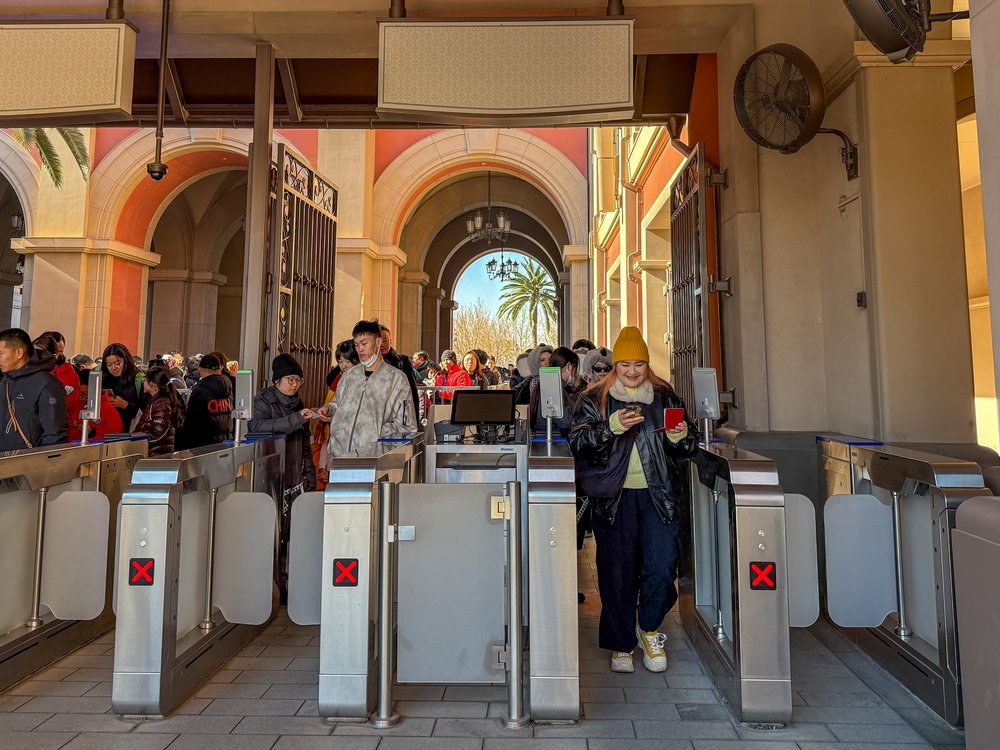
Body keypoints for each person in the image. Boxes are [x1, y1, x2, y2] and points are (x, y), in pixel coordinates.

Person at [570, 326, 699, 674]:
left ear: (647, 363)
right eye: (624, 363)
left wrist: (682, 436)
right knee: (616, 571)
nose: (631, 371)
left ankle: (650, 627)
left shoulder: (665, 397)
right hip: (614, 500)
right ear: (615, 364)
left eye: (638, 364)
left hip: (659, 497)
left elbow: (689, 446)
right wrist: (609, 426)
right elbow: (577, 442)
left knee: (661, 567)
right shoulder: (594, 398)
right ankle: (620, 644)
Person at [250, 353, 321, 600]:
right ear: (277, 380)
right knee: (273, 528)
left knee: (292, 529)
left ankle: (288, 582)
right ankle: (273, 584)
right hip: (272, 473)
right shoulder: (263, 401)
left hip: (295, 474)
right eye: (289, 379)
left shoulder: (298, 405)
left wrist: (309, 473)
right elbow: (256, 428)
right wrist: (294, 420)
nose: (294, 385)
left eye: (298, 380)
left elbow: (304, 445)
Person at [322, 320, 416, 456]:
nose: (360, 349)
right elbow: (338, 403)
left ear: (378, 342)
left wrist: (376, 432)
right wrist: (329, 409)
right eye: (356, 344)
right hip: (340, 455)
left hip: (374, 457)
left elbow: (407, 426)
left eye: (364, 344)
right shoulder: (349, 376)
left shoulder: (396, 379)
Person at [0, 328, 68, 449]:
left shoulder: (47, 383)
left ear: (19, 353)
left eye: (0, 353)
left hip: (28, 462)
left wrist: (38, 464)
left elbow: (55, 433)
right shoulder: (5, 381)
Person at [312, 340, 358, 490]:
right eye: (340, 361)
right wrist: (327, 409)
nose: (343, 366)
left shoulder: (364, 380)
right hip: (338, 439)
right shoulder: (341, 380)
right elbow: (337, 403)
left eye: (347, 361)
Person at [175, 354, 233, 450]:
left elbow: (192, 420)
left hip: (203, 445)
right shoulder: (228, 388)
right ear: (219, 369)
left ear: (199, 369)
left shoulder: (200, 391)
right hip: (223, 443)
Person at [529, 346, 579, 436]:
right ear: (569, 366)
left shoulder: (547, 384)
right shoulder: (554, 388)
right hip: (554, 442)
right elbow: (566, 421)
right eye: (576, 369)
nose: (577, 374)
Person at [135, 366, 185, 455]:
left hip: (156, 454)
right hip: (157, 453)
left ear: (152, 384)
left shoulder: (162, 403)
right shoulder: (159, 400)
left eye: (144, 380)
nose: (143, 383)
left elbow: (158, 433)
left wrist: (138, 441)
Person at [378, 324, 420, 419]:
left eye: (385, 340)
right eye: (379, 341)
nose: (382, 345)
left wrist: (415, 419)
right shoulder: (369, 363)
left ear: (391, 341)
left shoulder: (403, 361)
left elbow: (412, 391)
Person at [71, 367, 123, 442]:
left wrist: (92, 432)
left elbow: (115, 434)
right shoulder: (74, 405)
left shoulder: (107, 408)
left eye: (85, 394)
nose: (81, 396)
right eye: (79, 393)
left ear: (94, 390)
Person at [101, 343, 141, 429]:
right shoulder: (103, 380)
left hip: (130, 430)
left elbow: (146, 409)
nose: (113, 368)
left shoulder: (138, 378)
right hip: (107, 429)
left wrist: (125, 405)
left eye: (117, 363)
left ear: (126, 361)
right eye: (109, 365)